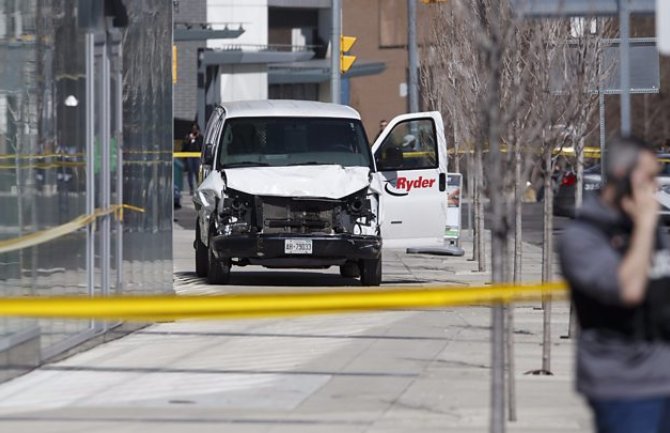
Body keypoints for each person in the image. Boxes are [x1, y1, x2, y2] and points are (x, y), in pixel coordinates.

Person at [559, 136, 670, 433]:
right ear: (622, 177)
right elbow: (629, 290)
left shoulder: (644, 225)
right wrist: (646, 225)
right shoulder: (583, 237)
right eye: (648, 177)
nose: (655, 186)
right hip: (625, 386)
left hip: (663, 373)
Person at [184, 122, 203, 195]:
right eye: (193, 129)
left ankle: (199, 187)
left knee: (197, 172)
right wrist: (189, 139)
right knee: (190, 172)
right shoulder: (188, 136)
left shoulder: (200, 137)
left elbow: (202, 146)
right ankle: (191, 188)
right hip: (190, 156)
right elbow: (184, 146)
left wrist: (197, 138)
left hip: (197, 156)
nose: (194, 130)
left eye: (195, 129)